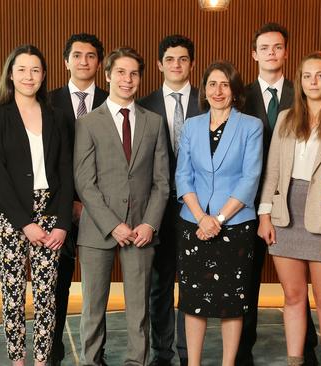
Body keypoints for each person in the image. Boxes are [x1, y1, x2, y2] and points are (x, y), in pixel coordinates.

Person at [257, 51, 321, 366]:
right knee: (293, 297)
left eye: (320, 75)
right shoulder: (287, 118)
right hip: (285, 214)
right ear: (299, 82)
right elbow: (272, 169)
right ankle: (295, 361)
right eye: (307, 76)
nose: (313, 82)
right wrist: (264, 214)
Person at [74, 47, 169, 366]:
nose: (127, 79)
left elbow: (162, 182)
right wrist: (113, 224)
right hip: (99, 230)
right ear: (108, 75)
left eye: (134, 73)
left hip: (142, 229)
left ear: (141, 78)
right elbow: (84, 182)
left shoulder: (154, 123)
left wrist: (149, 223)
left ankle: (136, 361)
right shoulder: (89, 123)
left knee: (139, 309)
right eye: (121, 72)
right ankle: (92, 360)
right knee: (93, 308)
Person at [0, 44, 73, 365]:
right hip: (10, 216)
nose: (28, 76)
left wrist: (62, 223)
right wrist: (26, 223)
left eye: (35, 70)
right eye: (21, 69)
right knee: (13, 294)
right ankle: (18, 361)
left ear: (44, 75)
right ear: (10, 74)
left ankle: (41, 361)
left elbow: (65, 172)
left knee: (47, 296)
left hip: (50, 214)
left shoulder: (57, 117)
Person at [175, 60, 263, 366]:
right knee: (193, 301)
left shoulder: (251, 126)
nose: (218, 90)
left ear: (235, 90)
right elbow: (183, 177)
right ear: (204, 89)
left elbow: (249, 178)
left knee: (232, 302)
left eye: (225, 84)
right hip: (194, 224)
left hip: (235, 224)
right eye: (212, 84)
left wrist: (219, 219)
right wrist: (202, 217)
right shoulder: (191, 126)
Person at [241, 23, 318, 366]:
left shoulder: (302, 94)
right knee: (246, 280)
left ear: (286, 53)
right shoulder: (239, 95)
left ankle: (307, 349)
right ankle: (243, 350)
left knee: (300, 286)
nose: (271, 52)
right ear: (254, 54)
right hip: (245, 202)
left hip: (294, 205)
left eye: (278, 47)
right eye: (264, 47)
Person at [137, 34, 200, 366]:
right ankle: (161, 354)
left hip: (198, 208)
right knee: (159, 285)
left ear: (192, 64)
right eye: (170, 59)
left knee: (191, 284)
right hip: (156, 208)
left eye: (183, 59)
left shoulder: (208, 102)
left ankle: (190, 353)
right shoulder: (144, 105)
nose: (177, 65)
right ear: (160, 64)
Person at [47, 32, 109, 366]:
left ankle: (95, 356)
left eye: (90, 56)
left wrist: (92, 203)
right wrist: (67, 201)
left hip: (102, 211)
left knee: (97, 291)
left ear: (100, 62)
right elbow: (47, 159)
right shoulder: (47, 101)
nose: (83, 61)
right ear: (66, 60)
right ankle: (53, 353)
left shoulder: (115, 99)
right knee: (56, 288)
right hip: (59, 210)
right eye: (76, 55)